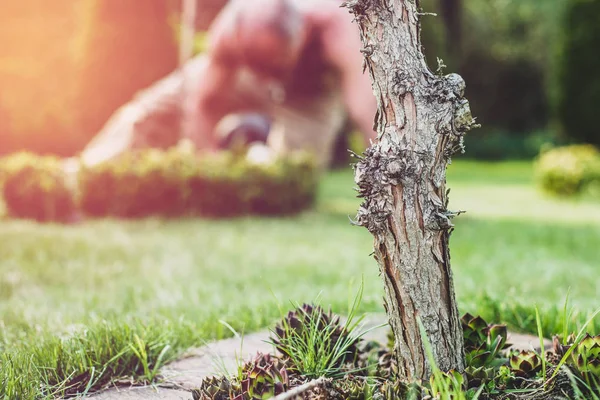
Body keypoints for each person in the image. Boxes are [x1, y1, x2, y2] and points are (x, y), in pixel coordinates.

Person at [78, 0, 377, 170]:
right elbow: (202, 102)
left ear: (301, 34)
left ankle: (258, 159)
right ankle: (82, 171)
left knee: (293, 171)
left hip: (310, 91)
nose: (268, 82)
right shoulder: (234, 25)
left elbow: (367, 110)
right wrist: (207, 163)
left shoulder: (339, 28)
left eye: (273, 64)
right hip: (242, 72)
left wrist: (388, 176)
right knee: (151, 111)